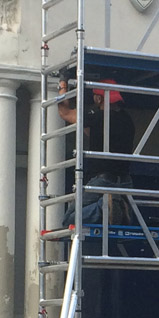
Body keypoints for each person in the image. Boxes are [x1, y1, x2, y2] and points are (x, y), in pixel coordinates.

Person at [58, 77, 135, 225]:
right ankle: (116, 204)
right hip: (125, 180)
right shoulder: (127, 119)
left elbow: (65, 113)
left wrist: (62, 87)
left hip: (104, 179)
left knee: (70, 219)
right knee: (118, 224)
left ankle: (103, 206)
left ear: (99, 98)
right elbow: (92, 132)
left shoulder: (98, 116)